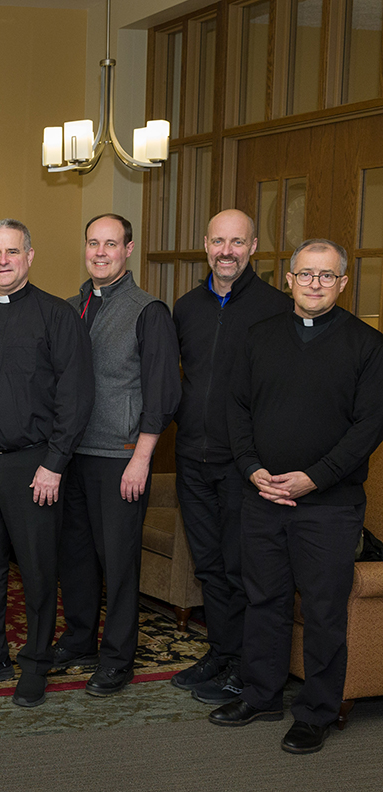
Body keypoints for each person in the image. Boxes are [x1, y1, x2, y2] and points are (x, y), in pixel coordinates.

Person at [211, 239, 383, 755]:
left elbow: (369, 428)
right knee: (264, 601)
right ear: (288, 278)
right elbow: (235, 409)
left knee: (326, 611)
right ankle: (262, 694)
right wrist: (253, 469)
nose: (314, 284)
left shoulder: (368, 345)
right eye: (306, 274)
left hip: (329, 506)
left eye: (326, 276)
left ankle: (317, 711)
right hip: (262, 496)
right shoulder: (257, 337)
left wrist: (315, 477)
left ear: (343, 283)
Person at [0, 219, 94, 708]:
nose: (4, 260)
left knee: (36, 569)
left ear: (30, 256)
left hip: (35, 467)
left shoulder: (57, 316)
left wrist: (54, 463)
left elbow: (75, 397)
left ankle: (34, 662)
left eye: (13, 251)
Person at [170, 209, 291, 704]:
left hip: (245, 466)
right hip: (190, 460)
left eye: (236, 242)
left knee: (243, 569)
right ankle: (220, 652)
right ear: (205, 245)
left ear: (253, 246)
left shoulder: (275, 309)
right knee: (209, 567)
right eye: (218, 241)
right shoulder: (186, 307)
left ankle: (244, 663)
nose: (226, 251)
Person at [57, 213, 180, 697]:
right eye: (93, 243)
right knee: (78, 557)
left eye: (111, 244)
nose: (100, 252)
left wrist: (142, 458)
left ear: (128, 249)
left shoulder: (148, 310)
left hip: (122, 457)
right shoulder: (71, 306)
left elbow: (163, 392)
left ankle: (118, 658)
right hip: (73, 456)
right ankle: (82, 638)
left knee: (119, 562)